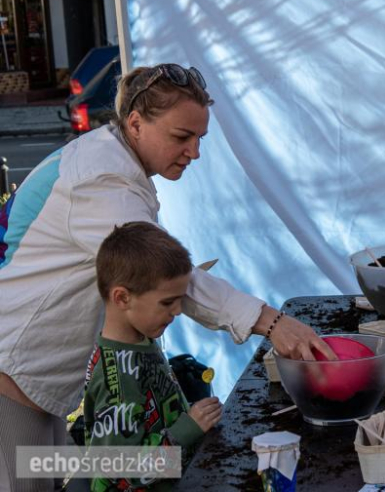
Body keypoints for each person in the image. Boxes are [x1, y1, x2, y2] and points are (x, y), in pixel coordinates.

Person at [0, 63, 334, 492]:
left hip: (39, 382)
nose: (194, 151)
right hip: (14, 376)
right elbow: (163, 274)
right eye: (182, 137)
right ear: (135, 123)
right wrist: (271, 322)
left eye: (200, 139)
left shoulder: (112, 161)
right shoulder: (100, 179)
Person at [84, 222, 220, 491]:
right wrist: (187, 429)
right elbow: (122, 472)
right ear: (122, 298)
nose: (178, 310)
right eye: (168, 302)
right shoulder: (117, 379)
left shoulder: (142, 339)